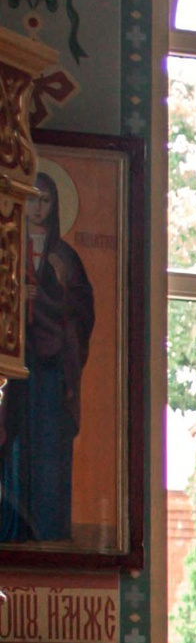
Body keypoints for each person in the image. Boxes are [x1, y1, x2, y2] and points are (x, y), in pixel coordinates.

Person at [0, 172, 97, 547]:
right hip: (13, 365)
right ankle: (10, 530)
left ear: (54, 207)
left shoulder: (66, 257)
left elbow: (82, 314)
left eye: (45, 200)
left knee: (48, 448)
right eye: (33, 199)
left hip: (51, 371)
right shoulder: (7, 251)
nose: (38, 207)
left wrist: (55, 291)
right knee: (14, 443)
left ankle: (49, 530)